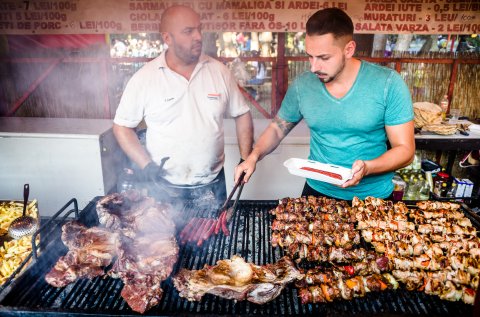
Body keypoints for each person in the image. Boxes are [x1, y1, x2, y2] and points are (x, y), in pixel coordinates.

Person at [234, 8, 415, 201]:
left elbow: (405, 150)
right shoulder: (302, 85)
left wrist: (368, 168)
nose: (313, 67)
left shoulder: (388, 83)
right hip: (317, 193)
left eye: (323, 58)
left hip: (372, 198)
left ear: (349, 49)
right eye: (310, 56)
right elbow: (278, 128)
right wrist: (253, 156)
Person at [113, 5, 254, 208]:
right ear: (167, 38)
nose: (198, 36)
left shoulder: (219, 71)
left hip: (212, 184)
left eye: (199, 29)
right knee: (166, 239)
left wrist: (244, 157)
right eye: (188, 31)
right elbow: (122, 126)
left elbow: (241, 114)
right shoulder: (145, 77)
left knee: (216, 237)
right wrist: (146, 165)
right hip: (163, 186)